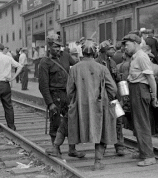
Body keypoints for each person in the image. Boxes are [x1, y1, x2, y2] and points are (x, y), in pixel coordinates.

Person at [67, 40, 117, 170]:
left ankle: (73, 148)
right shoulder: (102, 68)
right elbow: (113, 88)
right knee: (101, 132)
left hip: (81, 105)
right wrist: (107, 98)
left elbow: (70, 91)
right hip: (100, 104)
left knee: (83, 128)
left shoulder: (75, 68)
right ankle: (97, 162)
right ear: (95, 52)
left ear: (82, 52)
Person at [38, 34, 84, 158]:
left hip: (68, 94)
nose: (58, 49)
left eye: (59, 46)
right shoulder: (44, 62)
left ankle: (72, 149)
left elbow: (76, 67)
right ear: (49, 47)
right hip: (55, 96)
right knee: (55, 122)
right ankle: (56, 149)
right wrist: (50, 103)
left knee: (72, 121)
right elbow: (43, 86)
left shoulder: (65, 56)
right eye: (55, 46)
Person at [122, 33, 158, 166]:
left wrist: (154, 97)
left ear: (136, 43)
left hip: (140, 90)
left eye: (127, 44)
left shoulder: (142, 57)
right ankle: (143, 153)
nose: (125, 47)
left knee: (142, 123)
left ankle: (149, 156)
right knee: (137, 124)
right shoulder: (135, 57)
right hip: (135, 90)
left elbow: (151, 79)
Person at [95, 40, 124, 156]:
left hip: (113, 97)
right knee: (103, 122)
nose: (113, 50)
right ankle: (102, 147)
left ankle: (119, 146)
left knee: (118, 121)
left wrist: (122, 96)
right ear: (103, 51)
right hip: (102, 97)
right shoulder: (96, 63)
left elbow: (118, 80)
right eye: (110, 49)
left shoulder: (112, 62)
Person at [0, 44, 22, 130]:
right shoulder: (8, 58)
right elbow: (20, 66)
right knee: (8, 106)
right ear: (2, 49)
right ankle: (11, 126)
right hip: (5, 84)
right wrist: (13, 78)